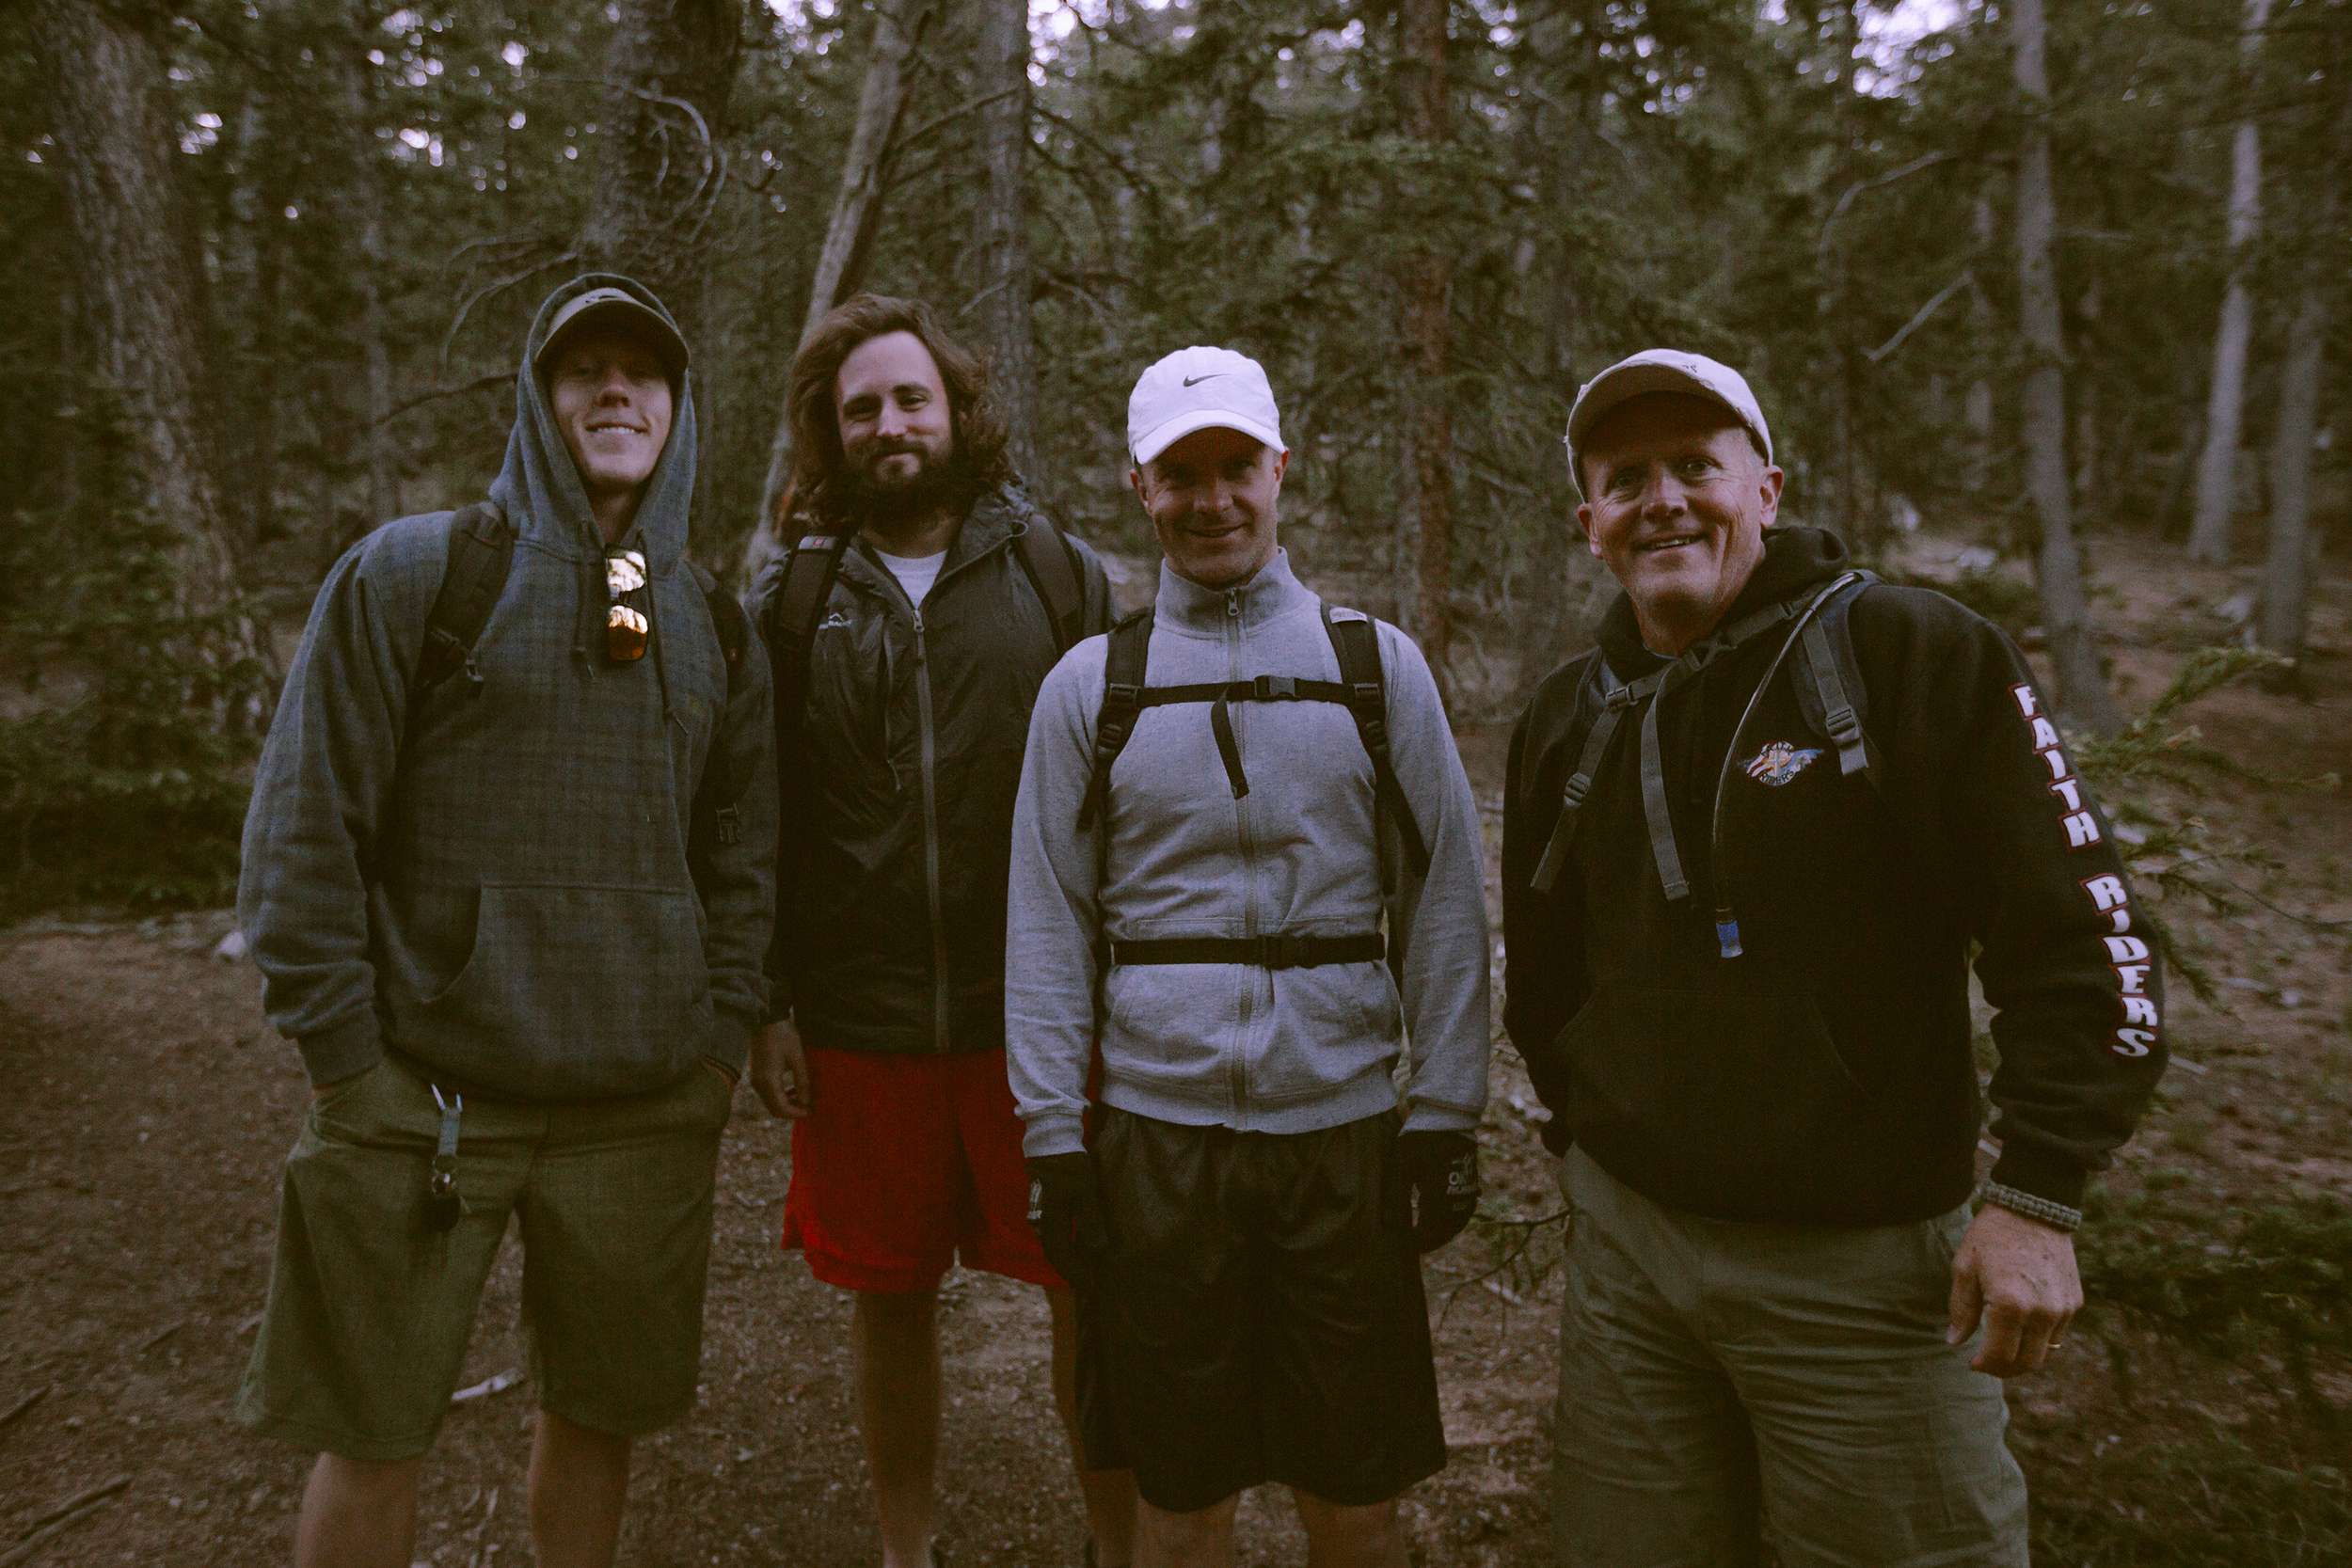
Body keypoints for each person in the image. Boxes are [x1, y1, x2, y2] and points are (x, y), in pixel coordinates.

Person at [1501, 349, 2167, 1567]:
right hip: (1631, 1277)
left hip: (1866, 1284)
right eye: (1626, 477)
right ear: (1586, 521)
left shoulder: (1910, 654)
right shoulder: (1567, 714)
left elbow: (2084, 943)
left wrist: (2036, 1196)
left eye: (1697, 466)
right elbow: (1544, 973)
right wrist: (1586, 1139)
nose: (1663, 500)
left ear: (1767, 488)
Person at [235, 275, 775, 1568]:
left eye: (641, 373)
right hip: (422, 1102)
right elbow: (304, 829)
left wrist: (714, 1051)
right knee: (373, 1428)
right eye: (581, 368)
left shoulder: (703, 618)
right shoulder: (420, 572)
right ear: (539, 402)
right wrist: (348, 1063)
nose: (612, 391)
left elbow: (745, 858)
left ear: (678, 409)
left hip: (640, 1108)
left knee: (597, 1418)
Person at [1006, 346, 1492, 1568]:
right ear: (1139, 486)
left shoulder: (1375, 667)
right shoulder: (1090, 688)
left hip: (1342, 1142)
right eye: (1182, 474)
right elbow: (1049, 919)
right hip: (1159, 1153)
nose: (1212, 499)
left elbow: (1443, 893)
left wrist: (1443, 1112)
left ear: (1282, 471)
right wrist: (1055, 1139)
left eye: (1236, 467)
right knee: (1182, 1494)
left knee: (1357, 1496)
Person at [746, 293, 1133, 1568]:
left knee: (1089, 1284)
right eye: (862, 408)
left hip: (1039, 1012)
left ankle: (1109, 1540)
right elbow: (757, 814)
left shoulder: (1056, 573)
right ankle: (906, 1549)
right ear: (830, 431)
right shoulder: (793, 597)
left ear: (957, 410)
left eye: (911, 398)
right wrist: (767, 1003)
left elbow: (1128, 788)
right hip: (860, 1021)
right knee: (887, 1298)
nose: (889, 424)